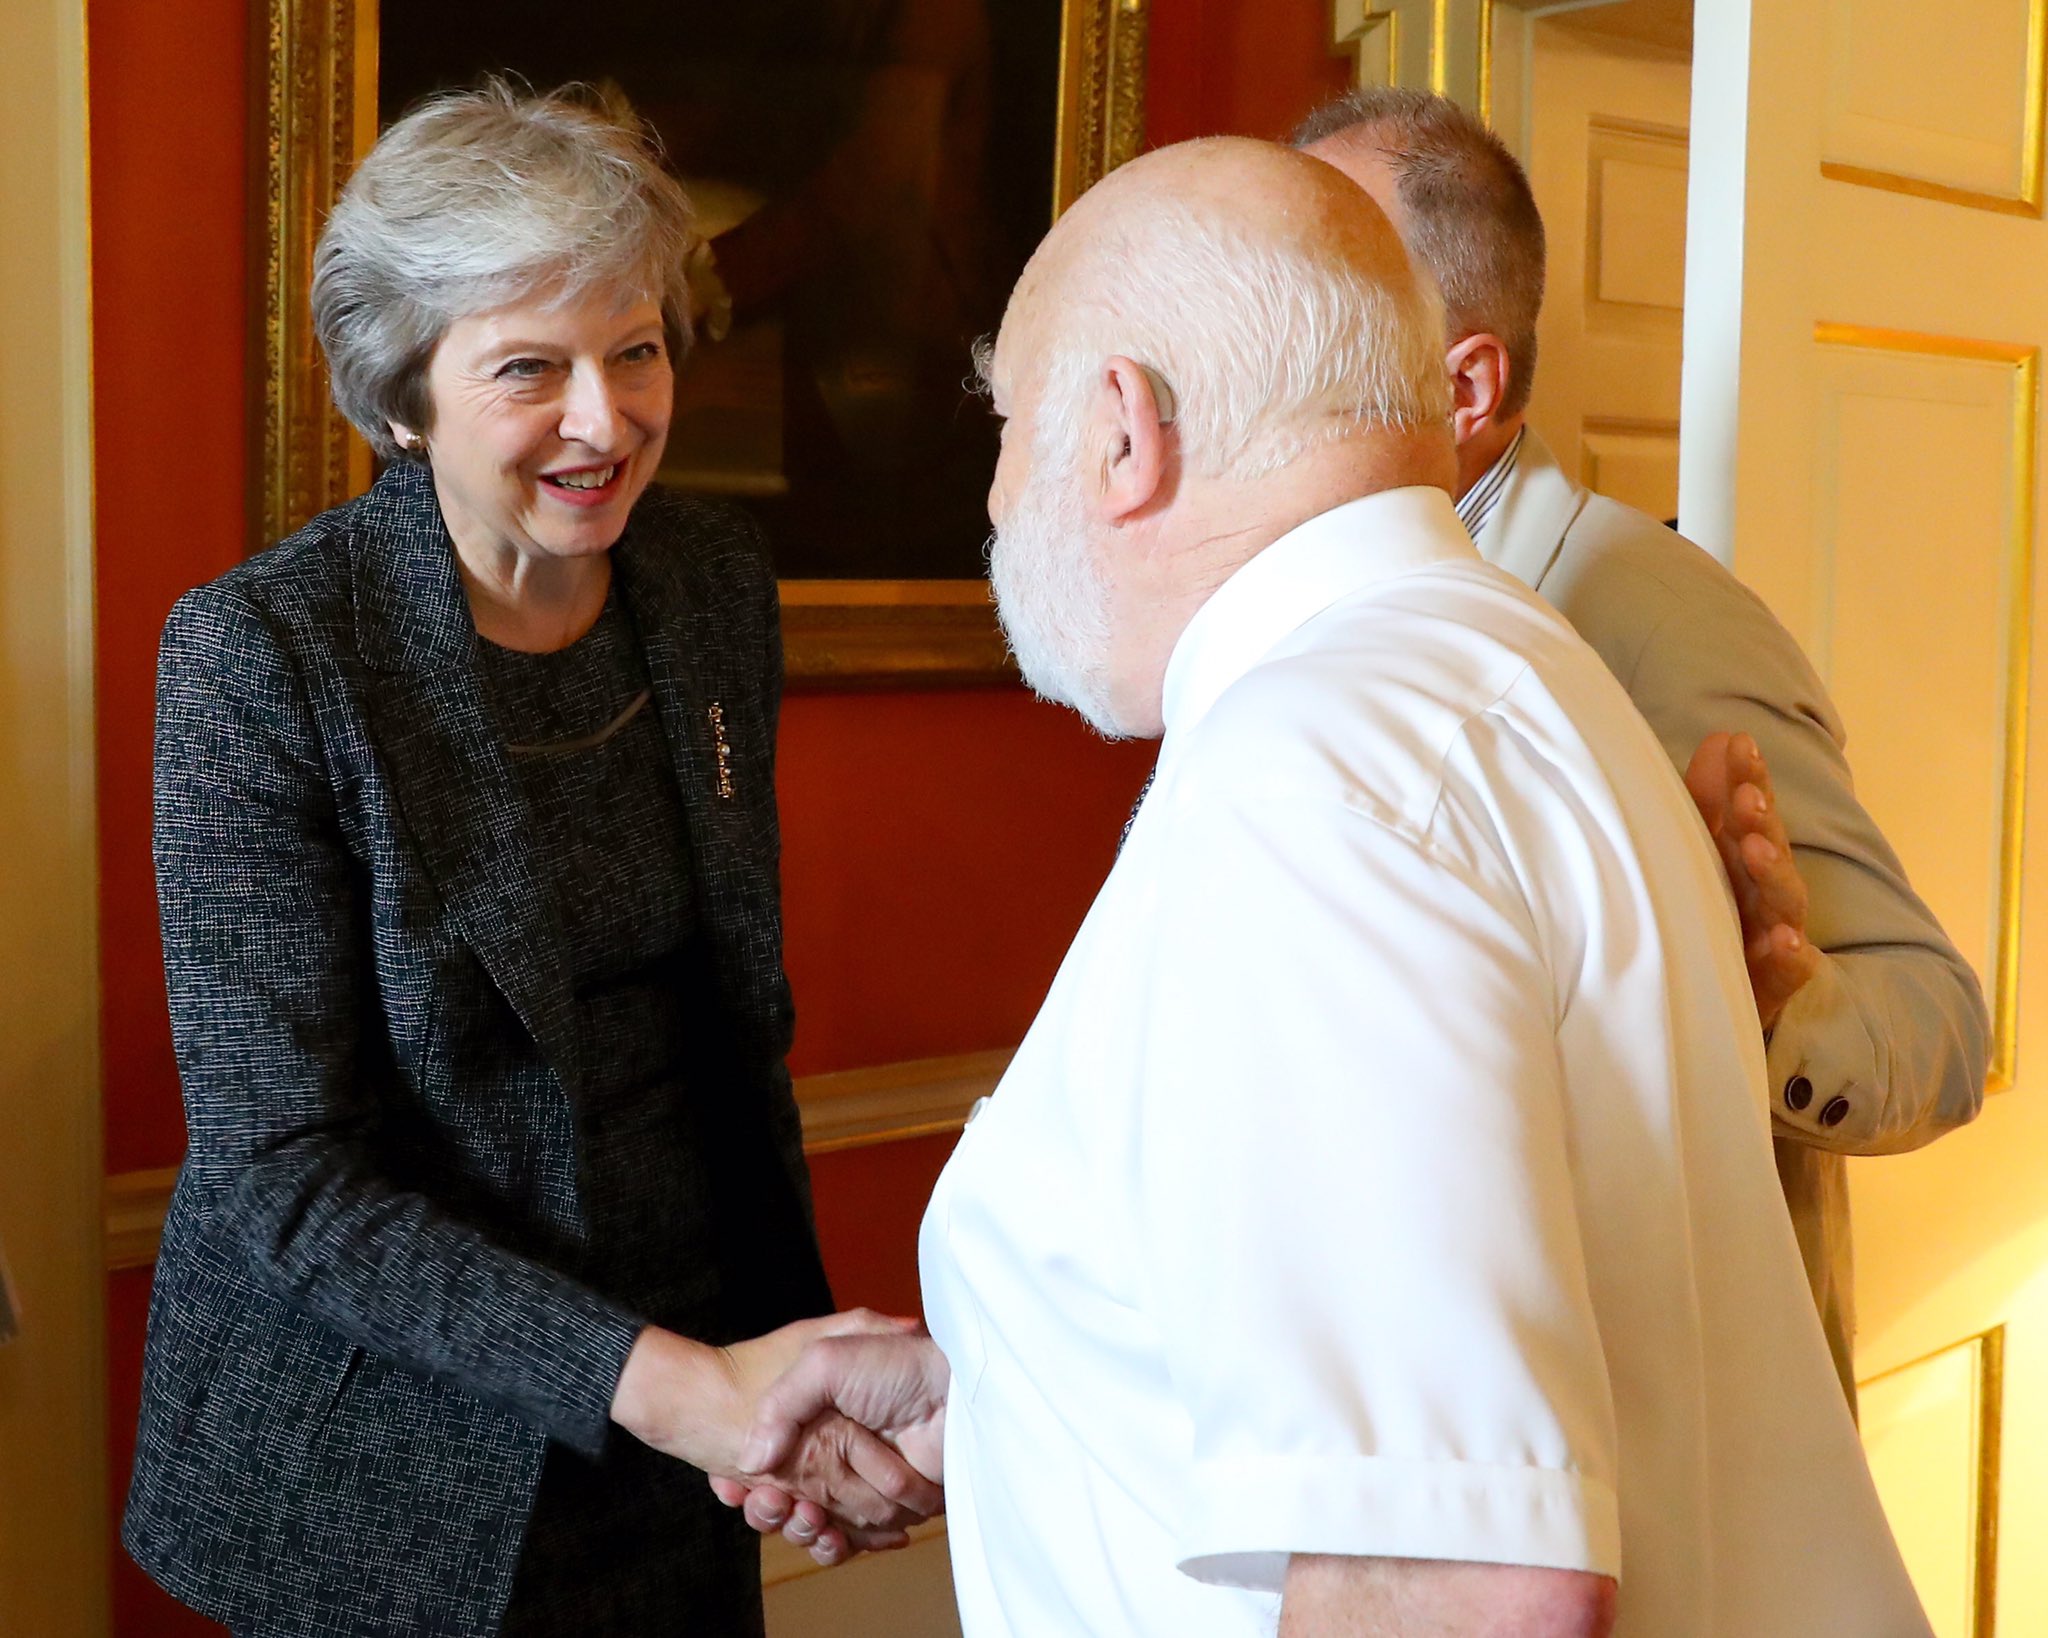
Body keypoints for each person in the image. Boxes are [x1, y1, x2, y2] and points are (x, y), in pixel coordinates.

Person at [722, 136, 1931, 1634]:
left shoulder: (1314, 768)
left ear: (1122, 431)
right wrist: (1016, 1386)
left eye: (1008, 422)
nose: (989, 491)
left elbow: (1461, 1575)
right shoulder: (1499, 663)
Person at [122, 83, 934, 1637]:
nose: (604, 416)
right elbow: (284, 1178)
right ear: (405, 397)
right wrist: (680, 1389)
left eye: (634, 349)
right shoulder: (267, 655)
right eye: (528, 368)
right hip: (386, 1460)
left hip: (683, 1430)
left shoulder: (706, 586)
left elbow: (726, 1044)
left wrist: (778, 1396)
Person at [1291, 86, 1989, 1403]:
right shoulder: (1321, 621)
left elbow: (1940, 1021)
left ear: (1467, 383)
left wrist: (1765, 1000)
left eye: (1316, 292)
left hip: (1663, 1461)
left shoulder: (1653, 616)